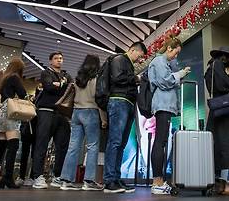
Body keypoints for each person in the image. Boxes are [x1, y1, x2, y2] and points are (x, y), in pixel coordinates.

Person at [147, 38, 189, 195]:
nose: (176, 56)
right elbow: (165, 81)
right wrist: (180, 73)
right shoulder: (159, 60)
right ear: (170, 48)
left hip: (166, 106)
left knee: (162, 141)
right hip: (163, 105)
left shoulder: (165, 62)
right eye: (176, 52)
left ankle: (159, 180)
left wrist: (177, 71)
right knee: (160, 141)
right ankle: (157, 181)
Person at [103, 42, 146, 194]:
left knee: (121, 143)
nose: (139, 59)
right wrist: (135, 78)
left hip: (127, 102)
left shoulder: (128, 63)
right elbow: (117, 78)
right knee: (115, 141)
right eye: (139, 56)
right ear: (132, 50)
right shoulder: (119, 59)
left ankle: (116, 177)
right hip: (118, 101)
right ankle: (109, 181)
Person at [59, 55, 107, 191]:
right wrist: (103, 119)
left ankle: (66, 180)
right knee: (92, 146)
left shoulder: (78, 79)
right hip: (90, 112)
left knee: (73, 146)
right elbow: (97, 100)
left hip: (76, 113)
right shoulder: (96, 79)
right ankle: (89, 181)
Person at [205, 46, 229, 195]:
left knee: (218, 147)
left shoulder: (210, 68)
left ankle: (218, 183)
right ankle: (228, 183)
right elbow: (225, 85)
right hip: (225, 112)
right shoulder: (219, 65)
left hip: (217, 111)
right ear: (226, 57)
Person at [0, 59, 27, 189]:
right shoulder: (15, 77)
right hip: (11, 110)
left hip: (2, 110)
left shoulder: (5, 77)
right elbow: (22, 94)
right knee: (13, 144)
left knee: (1, 145)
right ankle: (7, 177)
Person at [32, 52, 73, 189]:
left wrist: (59, 84)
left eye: (61, 58)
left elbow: (71, 88)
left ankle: (57, 176)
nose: (59, 60)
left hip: (62, 113)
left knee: (62, 145)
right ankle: (37, 176)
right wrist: (59, 85)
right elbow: (48, 86)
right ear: (50, 61)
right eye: (56, 58)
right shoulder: (46, 72)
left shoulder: (66, 75)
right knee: (42, 143)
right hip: (46, 111)